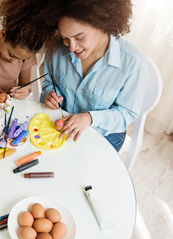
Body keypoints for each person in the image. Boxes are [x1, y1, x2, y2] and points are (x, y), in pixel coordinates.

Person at [39, 0, 148, 151]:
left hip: (104, 133)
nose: (71, 47)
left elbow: (126, 114)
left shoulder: (133, 63)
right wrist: (49, 93)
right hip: (62, 123)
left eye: (79, 37)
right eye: (65, 38)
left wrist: (90, 118)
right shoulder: (56, 48)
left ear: (102, 23)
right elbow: (48, 81)